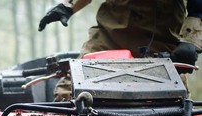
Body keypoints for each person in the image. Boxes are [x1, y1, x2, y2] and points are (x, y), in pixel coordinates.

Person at [38, 0, 202, 100]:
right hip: (108, 36)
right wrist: (68, 7)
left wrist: (191, 41)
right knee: (70, 93)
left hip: (162, 42)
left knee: (176, 102)